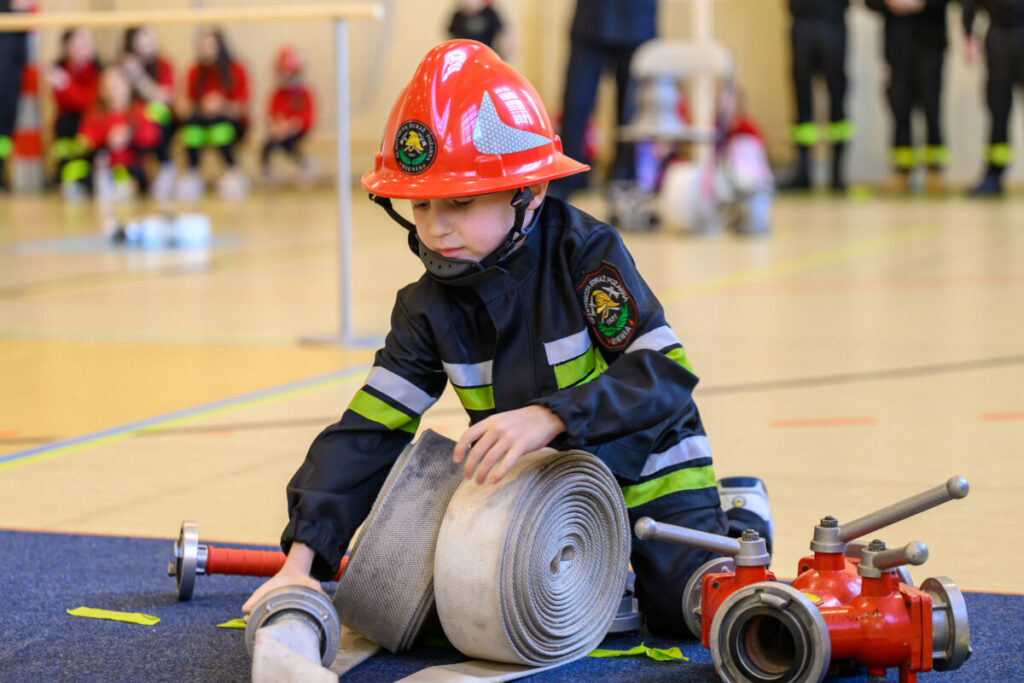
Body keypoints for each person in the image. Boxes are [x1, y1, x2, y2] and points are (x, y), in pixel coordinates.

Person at [241, 40, 772, 638]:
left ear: (531, 191)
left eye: (461, 202)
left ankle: (741, 516)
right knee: (441, 608)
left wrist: (550, 417)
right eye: (419, 205)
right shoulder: (425, 308)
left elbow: (664, 375)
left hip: (650, 468)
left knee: (687, 606)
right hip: (539, 488)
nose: (436, 228)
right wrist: (301, 563)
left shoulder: (586, 255)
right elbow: (367, 431)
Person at [549, 0, 657, 199]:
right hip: (591, 17)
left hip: (637, 18)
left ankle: (625, 179)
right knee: (576, 102)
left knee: (631, 109)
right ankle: (566, 175)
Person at [867, 0, 951, 195]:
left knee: (932, 109)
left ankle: (935, 172)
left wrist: (922, 4)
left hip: (931, 44)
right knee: (899, 109)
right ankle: (901, 172)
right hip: (897, 46)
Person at [780, 0, 853, 192]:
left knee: (837, 98)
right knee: (801, 98)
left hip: (833, 21)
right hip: (802, 21)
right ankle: (803, 173)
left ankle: (838, 175)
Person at [178, 27, 249, 200]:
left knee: (219, 125)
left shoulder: (236, 70)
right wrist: (202, 106)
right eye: (203, 46)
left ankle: (232, 171)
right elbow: (184, 107)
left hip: (230, 122)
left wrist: (222, 105)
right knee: (192, 126)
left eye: (211, 46)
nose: (207, 51)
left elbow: (243, 108)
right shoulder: (195, 71)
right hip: (201, 121)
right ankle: (192, 172)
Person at [962, 0, 1024, 196]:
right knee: (998, 109)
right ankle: (994, 175)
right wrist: (969, 35)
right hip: (998, 36)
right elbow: (969, 4)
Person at [74, 64, 161, 199]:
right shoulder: (96, 113)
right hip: (105, 169)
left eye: (116, 87)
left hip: (131, 166)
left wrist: (130, 135)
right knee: (88, 171)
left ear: (127, 87)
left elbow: (152, 136)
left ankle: (127, 186)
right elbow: (84, 138)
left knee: (137, 173)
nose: (111, 92)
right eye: (107, 87)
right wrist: (104, 138)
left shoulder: (138, 111)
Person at [121, 25, 177, 199]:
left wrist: (138, 76)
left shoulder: (163, 65)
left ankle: (165, 167)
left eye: (151, 42)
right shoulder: (123, 64)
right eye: (142, 43)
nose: (148, 47)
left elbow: (163, 98)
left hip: (156, 120)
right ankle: (128, 175)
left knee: (153, 118)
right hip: (130, 117)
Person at [46, 27, 101, 197]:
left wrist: (67, 84)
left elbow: (91, 100)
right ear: (66, 48)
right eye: (77, 45)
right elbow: (64, 102)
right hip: (69, 124)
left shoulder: (98, 69)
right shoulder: (58, 69)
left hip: (93, 121)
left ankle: (87, 178)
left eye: (85, 44)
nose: (82, 49)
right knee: (66, 126)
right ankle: (70, 178)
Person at [260, 46, 316, 186]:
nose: (286, 77)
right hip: (278, 131)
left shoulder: (304, 93)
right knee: (268, 144)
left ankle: (305, 165)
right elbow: (270, 115)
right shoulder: (277, 94)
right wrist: (276, 127)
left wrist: (288, 127)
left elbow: (305, 120)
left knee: (286, 142)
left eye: (290, 73)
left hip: (296, 131)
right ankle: (267, 172)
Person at [0, 0, 31, 191]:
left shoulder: (20, 15)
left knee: (4, 131)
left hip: (10, 82)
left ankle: (1, 170)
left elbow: (22, 53)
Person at [447, 0, 511, 59]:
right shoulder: (458, 15)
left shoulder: (489, 13)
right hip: (464, 55)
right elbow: (452, 36)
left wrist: (503, 54)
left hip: (486, 55)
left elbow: (501, 34)